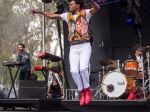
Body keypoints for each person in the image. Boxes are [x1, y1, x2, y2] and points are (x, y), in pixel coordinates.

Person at [31, 0, 100, 106]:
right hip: (74, 47)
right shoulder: (66, 16)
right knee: (73, 71)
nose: (69, 6)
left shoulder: (85, 13)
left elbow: (97, 8)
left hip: (85, 46)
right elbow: (51, 15)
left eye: (71, 4)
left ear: (77, 6)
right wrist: (40, 11)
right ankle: (82, 91)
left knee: (83, 68)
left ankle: (87, 90)